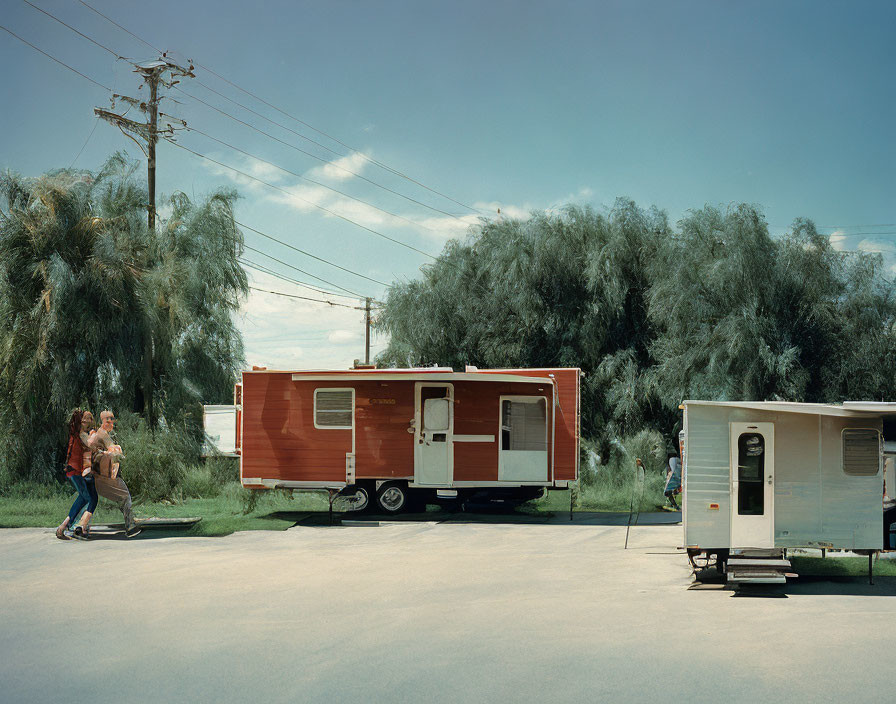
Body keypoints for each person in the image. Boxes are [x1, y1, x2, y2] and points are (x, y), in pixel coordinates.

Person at [89, 410, 138, 536]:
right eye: (108, 420)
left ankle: (74, 525)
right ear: (102, 422)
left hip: (100, 474)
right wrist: (117, 450)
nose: (111, 422)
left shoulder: (101, 433)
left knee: (88, 500)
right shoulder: (102, 435)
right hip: (103, 476)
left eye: (112, 419)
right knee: (125, 496)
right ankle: (130, 527)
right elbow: (113, 450)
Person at [55, 410, 98, 540]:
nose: (89, 420)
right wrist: (96, 435)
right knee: (87, 497)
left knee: (93, 498)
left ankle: (77, 527)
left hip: (84, 471)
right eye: (86, 418)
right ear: (81, 421)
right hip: (75, 471)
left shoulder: (83, 434)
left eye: (90, 418)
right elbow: (91, 445)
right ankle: (69, 526)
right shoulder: (81, 434)